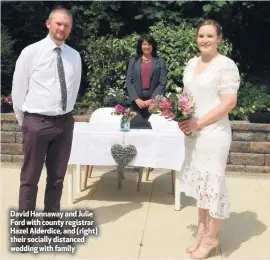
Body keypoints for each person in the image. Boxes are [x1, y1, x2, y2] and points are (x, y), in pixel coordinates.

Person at [178, 19, 240, 259]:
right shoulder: (192, 63)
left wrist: (198, 123)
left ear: (219, 39)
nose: (204, 40)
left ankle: (212, 238)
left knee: (212, 185)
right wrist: (181, 117)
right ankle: (202, 232)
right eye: (201, 36)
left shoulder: (225, 65)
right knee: (200, 185)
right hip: (193, 135)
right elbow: (187, 97)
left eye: (210, 36)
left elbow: (229, 103)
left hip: (214, 134)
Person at [12, 8, 81, 219]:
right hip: (36, 122)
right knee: (30, 178)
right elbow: (18, 90)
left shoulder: (74, 56)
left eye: (66, 25)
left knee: (57, 178)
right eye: (58, 23)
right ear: (48, 24)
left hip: (64, 123)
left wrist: (66, 115)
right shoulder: (31, 53)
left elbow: (73, 88)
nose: (62, 28)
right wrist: (27, 122)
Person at [126, 34, 167, 128]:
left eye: (149, 44)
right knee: (135, 128)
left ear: (153, 46)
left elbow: (162, 82)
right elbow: (129, 81)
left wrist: (152, 100)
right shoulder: (133, 61)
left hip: (154, 103)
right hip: (137, 103)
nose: (147, 47)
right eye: (144, 44)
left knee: (153, 128)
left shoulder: (160, 61)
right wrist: (136, 99)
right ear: (141, 46)